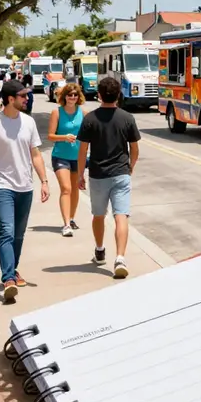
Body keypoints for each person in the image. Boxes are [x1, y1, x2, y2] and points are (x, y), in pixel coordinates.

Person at [0, 80, 50, 301]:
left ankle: (13, 268)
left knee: (18, 235)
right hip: (2, 186)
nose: (27, 99)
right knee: (7, 232)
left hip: (25, 186)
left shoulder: (28, 122)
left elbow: (36, 154)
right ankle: (8, 278)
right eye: (22, 96)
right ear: (10, 99)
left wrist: (44, 181)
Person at [77, 76, 141, 279]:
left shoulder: (90, 119)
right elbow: (135, 148)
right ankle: (120, 257)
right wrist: (130, 166)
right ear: (119, 95)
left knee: (98, 215)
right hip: (121, 173)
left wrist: (80, 174)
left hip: (98, 174)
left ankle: (99, 249)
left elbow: (82, 150)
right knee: (121, 215)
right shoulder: (127, 118)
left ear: (99, 95)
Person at [48, 82, 86, 237]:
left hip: (78, 157)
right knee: (66, 188)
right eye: (70, 95)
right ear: (64, 97)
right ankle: (65, 225)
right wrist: (64, 137)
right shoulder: (56, 112)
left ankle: (71, 218)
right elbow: (50, 136)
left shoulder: (83, 112)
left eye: (75, 95)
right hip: (60, 156)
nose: (72, 97)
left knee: (75, 189)